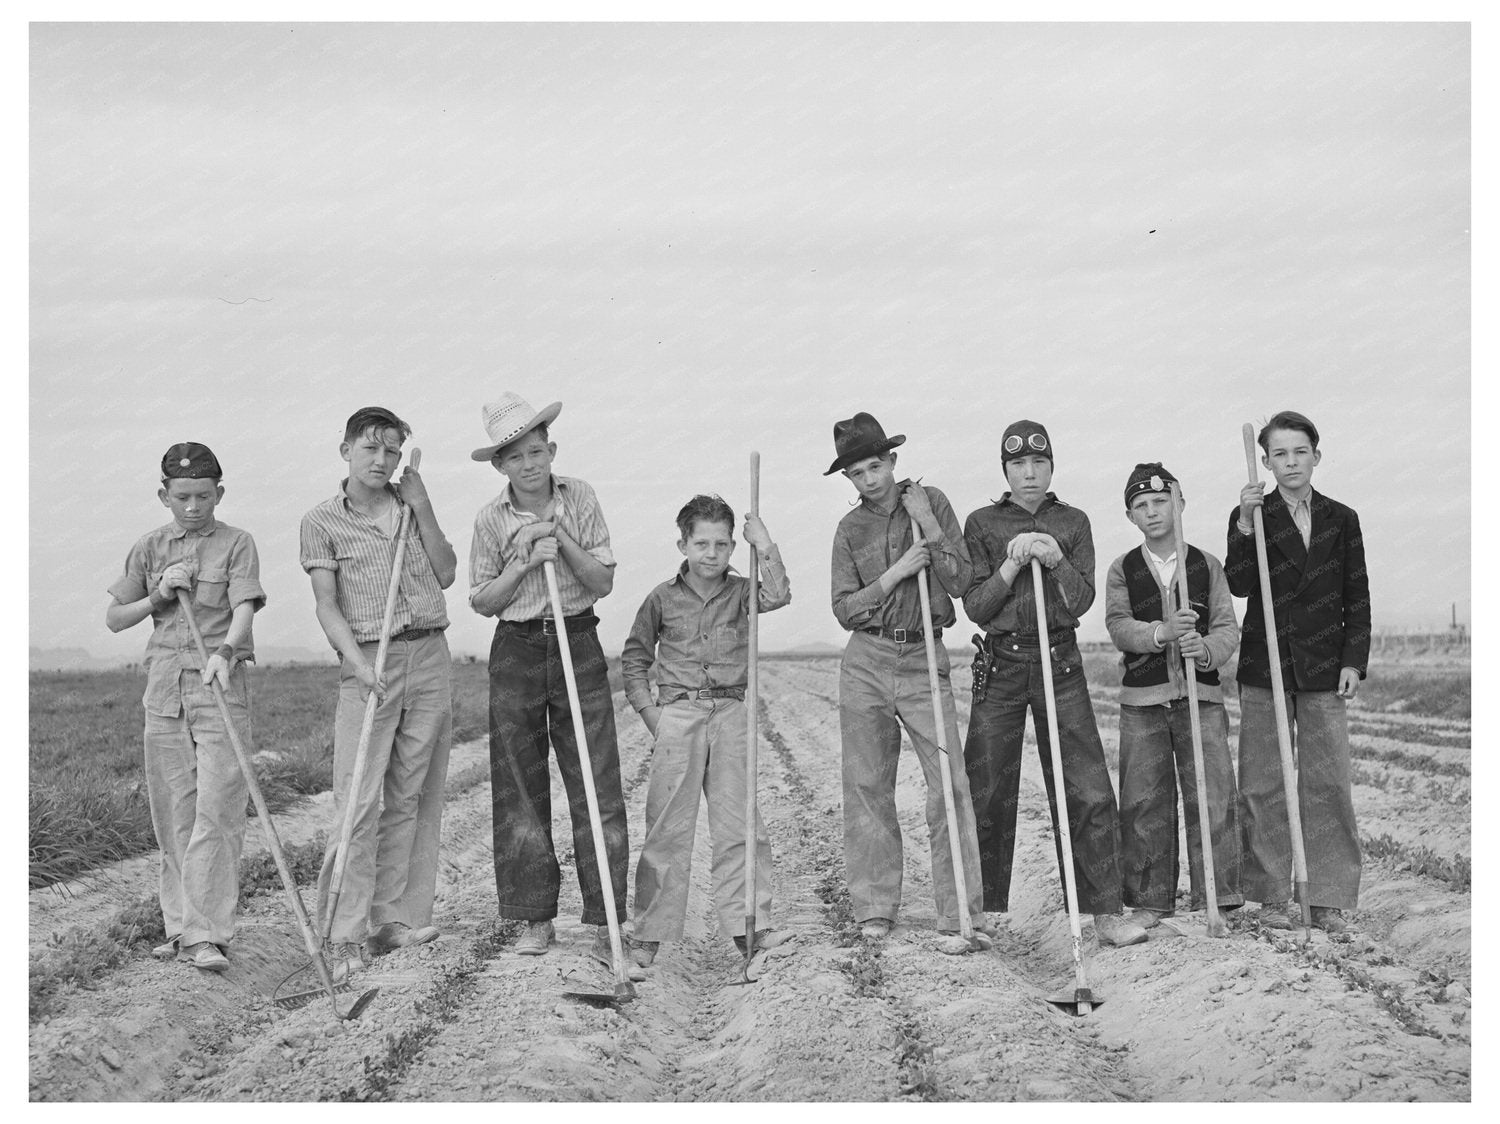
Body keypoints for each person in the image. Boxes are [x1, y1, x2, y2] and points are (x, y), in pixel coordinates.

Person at [468, 392, 640, 978]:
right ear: (500, 465)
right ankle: (533, 915)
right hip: (516, 648)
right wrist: (520, 562)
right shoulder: (489, 520)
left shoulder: (581, 497)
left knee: (595, 779)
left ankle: (605, 918)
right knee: (519, 784)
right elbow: (482, 600)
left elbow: (604, 580)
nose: (529, 464)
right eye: (515, 457)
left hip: (578, 636)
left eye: (536, 452)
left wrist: (558, 539)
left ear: (552, 450)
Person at [961, 420, 1147, 948]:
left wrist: (1054, 557)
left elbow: (1082, 601)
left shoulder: (1073, 521)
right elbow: (975, 606)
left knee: (1085, 784)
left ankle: (1106, 913)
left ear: (1051, 467)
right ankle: (977, 912)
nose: (1029, 473)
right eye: (1018, 464)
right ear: (1005, 469)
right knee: (987, 785)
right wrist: (1010, 565)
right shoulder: (982, 523)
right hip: (1000, 664)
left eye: (1039, 463)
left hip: (1059, 661)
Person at [301, 406, 456, 978]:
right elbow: (326, 603)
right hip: (368, 657)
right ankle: (343, 933)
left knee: (413, 794)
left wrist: (423, 505)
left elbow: (445, 573)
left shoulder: (410, 508)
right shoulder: (322, 520)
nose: (381, 460)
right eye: (370, 448)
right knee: (359, 802)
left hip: (429, 653)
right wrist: (355, 661)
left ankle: (394, 920)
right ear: (345, 450)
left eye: (391, 451)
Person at [826, 412, 988, 946]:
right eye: (857, 473)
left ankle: (960, 912)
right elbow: (845, 610)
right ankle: (875, 907)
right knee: (868, 786)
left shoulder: (930, 502)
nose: (870, 480)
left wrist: (933, 529)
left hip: (923, 656)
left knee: (951, 785)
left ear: (892, 461)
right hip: (867, 661)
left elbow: (962, 580)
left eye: (876, 467)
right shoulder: (849, 530)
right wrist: (896, 572)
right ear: (849, 479)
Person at [106, 442, 265, 973]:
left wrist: (224, 651)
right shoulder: (148, 547)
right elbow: (115, 618)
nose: (193, 507)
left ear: (219, 493)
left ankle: (207, 934)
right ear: (163, 495)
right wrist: (157, 595)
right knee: (174, 813)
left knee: (217, 812)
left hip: (219, 684)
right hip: (164, 693)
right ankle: (181, 929)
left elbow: (244, 608)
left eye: (203, 496)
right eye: (182, 497)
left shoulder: (238, 543)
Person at [621, 494, 794, 967]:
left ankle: (748, 928)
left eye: (722, 544)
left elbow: (778, 595)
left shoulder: (742, 592)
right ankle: (650, 933)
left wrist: (767, 545)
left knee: (741, 824)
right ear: (683, 544)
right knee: (666, 827)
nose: (712, 553)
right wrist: (650, 714)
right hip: (677, 715)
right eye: (702, 543)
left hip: (731, 713)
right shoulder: (661, 597)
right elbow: (634, 659)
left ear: (735, 546)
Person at [1225, 411, 1369, 933]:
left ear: (1316, 456)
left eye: (1299, 452)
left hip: (1325, 668)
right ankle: (1269, 896)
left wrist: (1353, 659)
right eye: (1279, 454)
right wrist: (1244, 524)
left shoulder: (1341, 517)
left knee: (1327, 780)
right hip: (1266, 666)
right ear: (1265, 462)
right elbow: (1239, 584)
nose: (1290, 462)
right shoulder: (1252, 516)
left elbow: (1357, 594)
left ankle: (1327, 897)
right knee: (1262, 781)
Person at [1104, 462, 1243, 928]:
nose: (1152, 512)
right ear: (1131, 517)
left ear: (1179, 503)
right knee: (1144, 801)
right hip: (1142, 703)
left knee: (1214, 795)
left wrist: (1203, 650)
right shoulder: (1123, 568)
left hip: (1200, 700)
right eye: (1141, 506)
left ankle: (1218, 898)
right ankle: (1150, 901)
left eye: (1160, 502)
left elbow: (1226, 629)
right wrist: (1161, 632)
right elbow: (1119, 626)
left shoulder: (1206, 565)